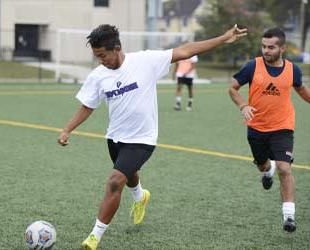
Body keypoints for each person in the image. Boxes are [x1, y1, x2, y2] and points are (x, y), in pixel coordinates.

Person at [58, 24, 247, 250]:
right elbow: (87, 106)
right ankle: (140, 196)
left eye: (102, 55)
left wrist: (223, 38)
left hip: (144, 138)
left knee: (115, 180)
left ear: (117, 48)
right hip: (116, 137)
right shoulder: (98, 76)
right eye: (96, 56)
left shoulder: (146, 61)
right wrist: (67, 129)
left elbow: (186, 51)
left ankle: (94, 237)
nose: (100, 60)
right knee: (128, 173)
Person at [228, 27, 310, 233]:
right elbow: (232, 88)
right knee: (263, 166)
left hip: (283, 127)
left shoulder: (293, 70)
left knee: (285, 168)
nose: (266, 50)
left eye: (271, 47)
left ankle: (289, 215)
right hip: (256, 128)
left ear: (282, 48)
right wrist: (243, 106)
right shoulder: (252, 66)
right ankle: (268, 170)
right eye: (264, 46)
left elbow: (302, 90)